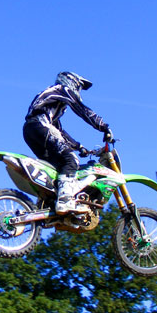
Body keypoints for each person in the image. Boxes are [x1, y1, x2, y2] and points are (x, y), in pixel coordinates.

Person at [23, 71, 112, 214]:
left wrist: (79, 146)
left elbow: (59, 131)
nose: (79, 90)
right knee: (71, 160)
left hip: (31, 130)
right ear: (71, 82)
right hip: (40, 126)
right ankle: (64, 200)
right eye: (79, 86)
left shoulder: (51, 100)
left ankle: (46, 203)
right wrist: (103, 126)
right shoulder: (63, 89)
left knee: (55, 168)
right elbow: (82, 110)